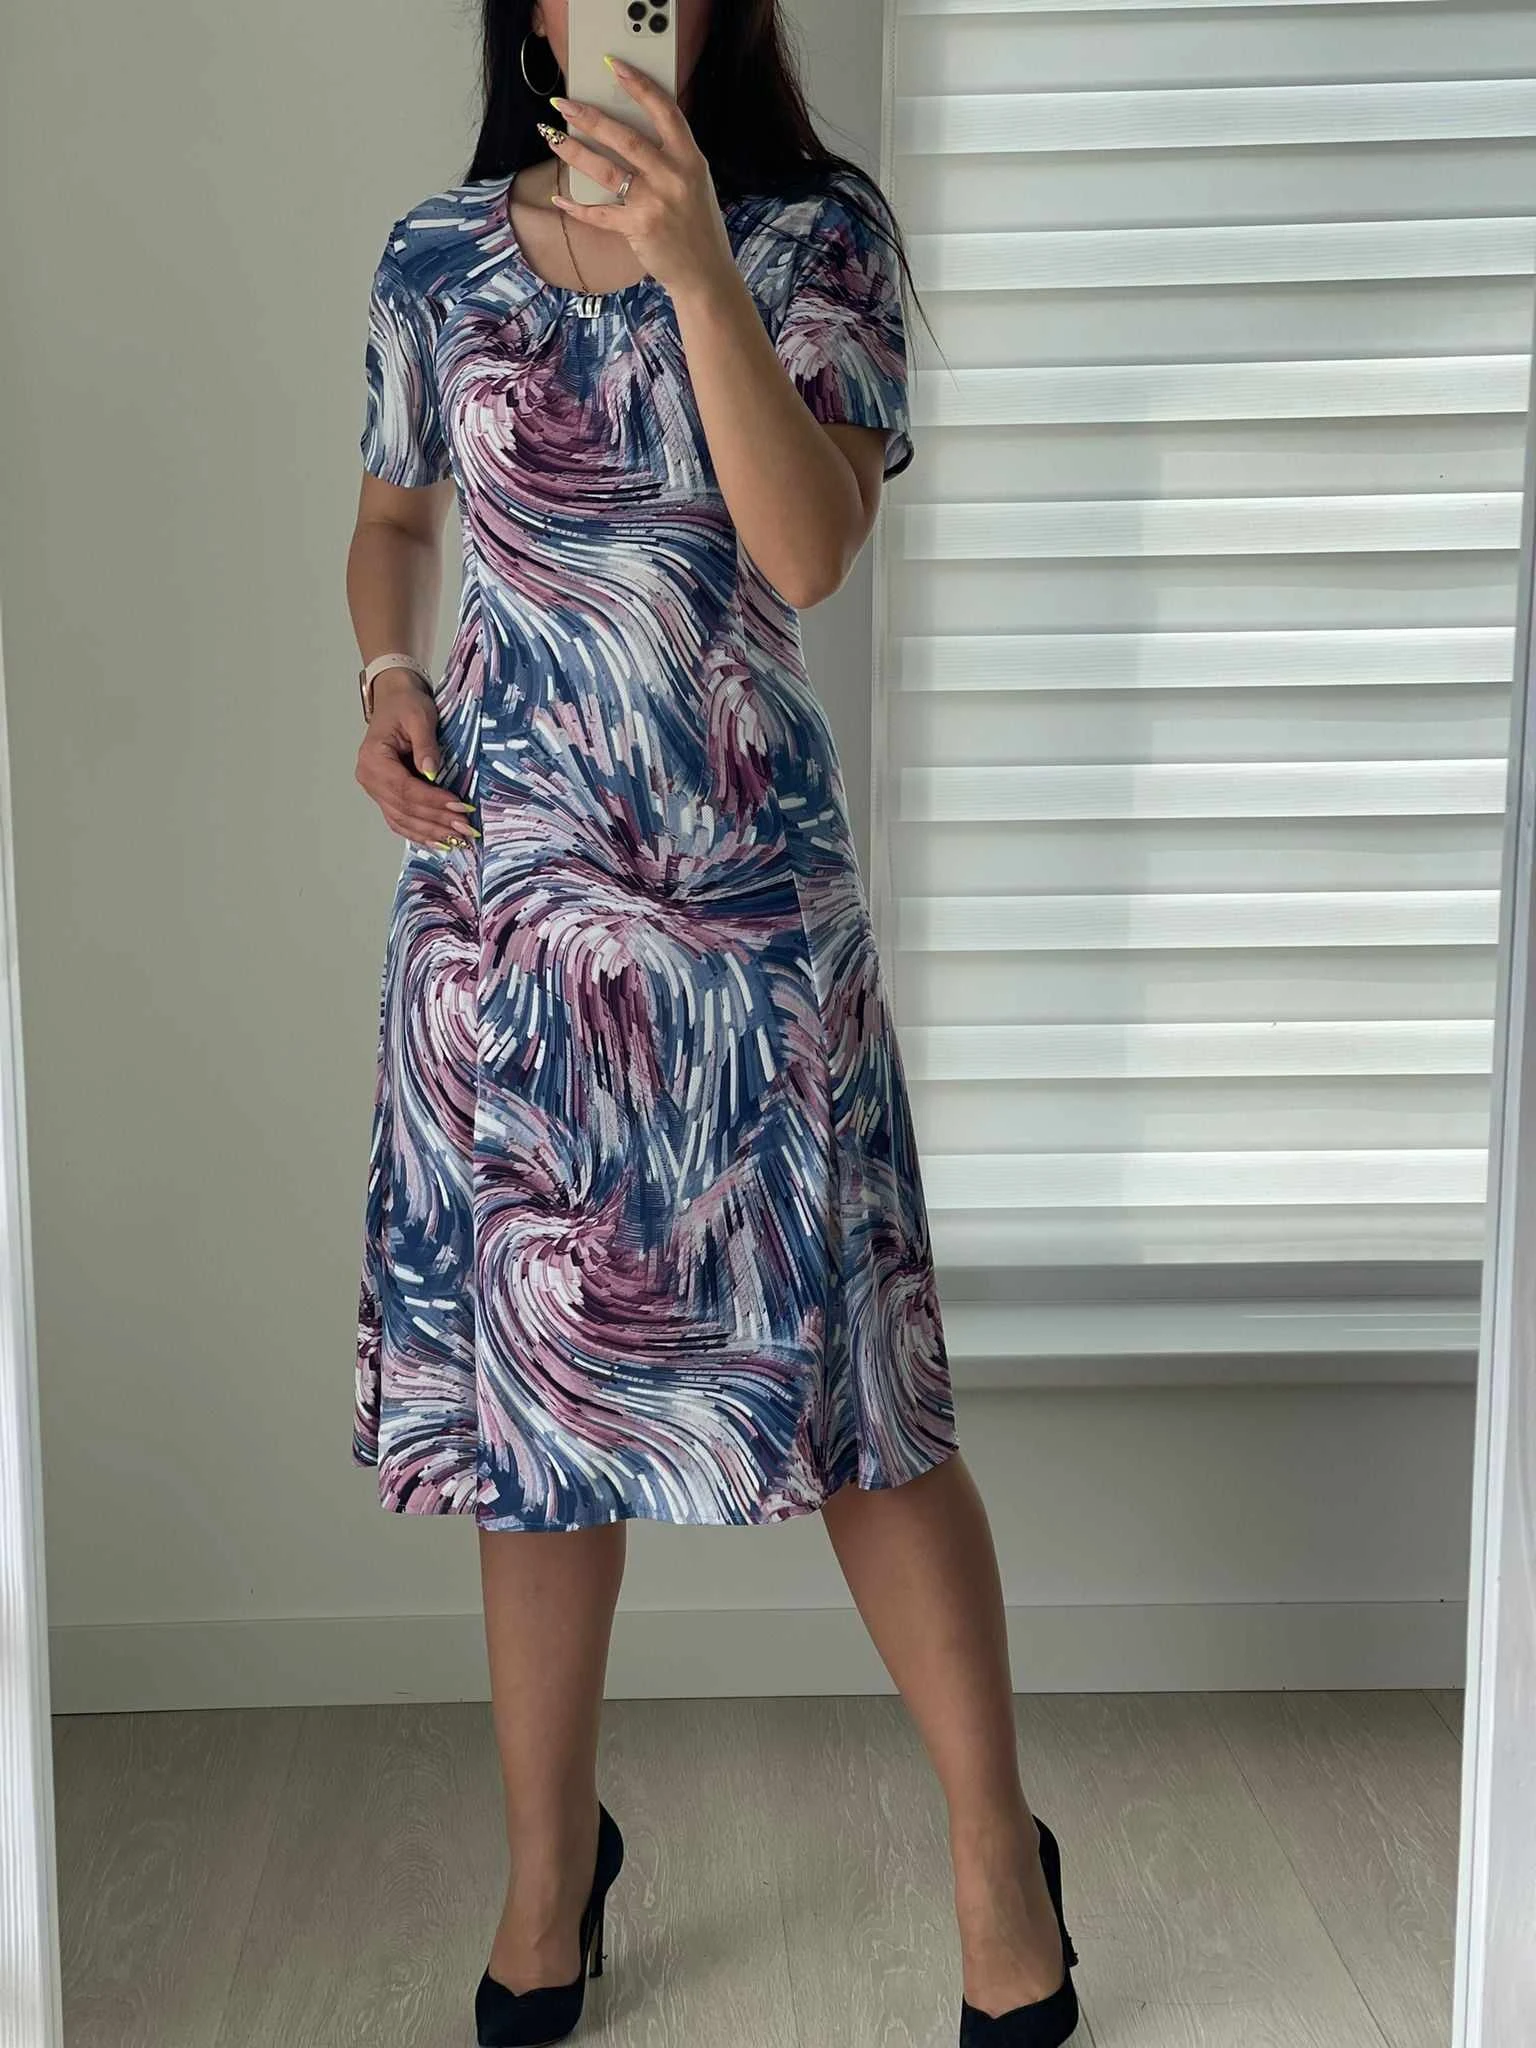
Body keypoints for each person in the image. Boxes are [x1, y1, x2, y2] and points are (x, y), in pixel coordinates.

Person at [345, 4, 1080, 2044]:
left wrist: (690, 267)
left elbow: (810, 549)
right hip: (509, 933)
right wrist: (384, 677)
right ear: (534, 11)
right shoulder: (435, 257)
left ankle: (994, 1856)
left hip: (749, 940)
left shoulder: (815, 240)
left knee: (866, 1415)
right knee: (537, 1436)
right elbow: (397, 522)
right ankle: (545, 1870)